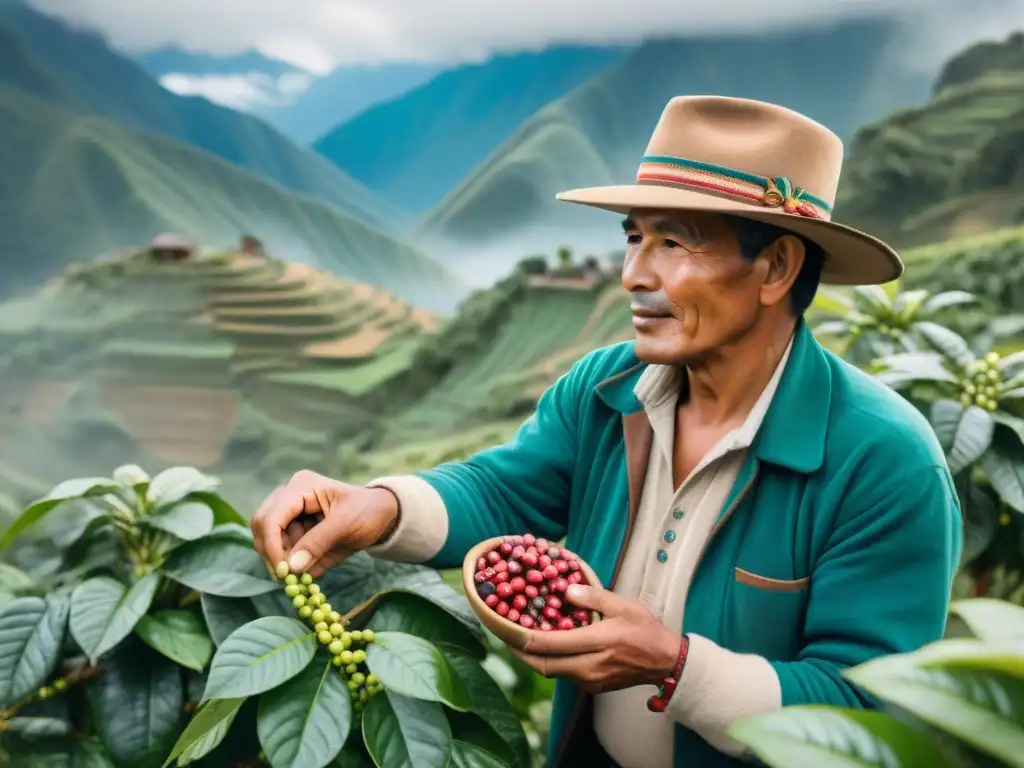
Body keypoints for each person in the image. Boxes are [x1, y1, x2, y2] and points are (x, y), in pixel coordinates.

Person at [250, 96, 963, 768]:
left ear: (775, 266)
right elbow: (503, 490)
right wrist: (382, 506)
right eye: (633, 238)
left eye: (673, 243)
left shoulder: (884, 462)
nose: (631, 274)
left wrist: (675, 667)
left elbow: (869, 714)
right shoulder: (605, 389)